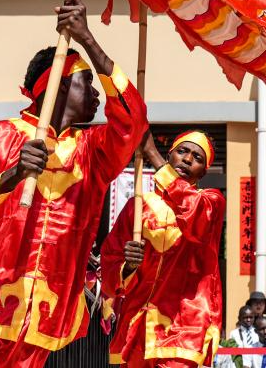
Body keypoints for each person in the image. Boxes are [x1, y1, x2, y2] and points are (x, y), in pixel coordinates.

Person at [0, 0, 148, 368]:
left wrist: (88, 40)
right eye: (87, 82)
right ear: (59, 86)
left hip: (40, 328)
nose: (98, 93)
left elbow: (133, 122)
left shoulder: (93, 151)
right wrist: (11, 177)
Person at [101, 128, 225, 368]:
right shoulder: (138, 206)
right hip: (137, 325)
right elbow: (110, 261)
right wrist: (128, 266)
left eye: (197, 158)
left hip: (186, 323)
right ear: (171, 155)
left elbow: (194, 215)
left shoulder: (210, 202)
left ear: (204, 171)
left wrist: (152, 154)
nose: (188, 159)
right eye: (182, 151)